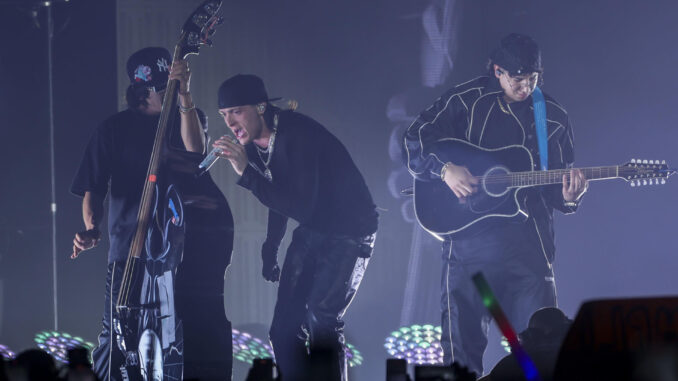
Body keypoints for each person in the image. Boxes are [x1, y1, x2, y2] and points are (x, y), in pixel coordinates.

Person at [402, 33, 588, 376]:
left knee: (546, 348)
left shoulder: (555, 118)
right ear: (497, 71)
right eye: (518, 79)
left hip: (529, 248)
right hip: (468, 243)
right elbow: (415, 137)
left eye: (533, 79)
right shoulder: (466, 99)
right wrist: (444, 170)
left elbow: (554, 188)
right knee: (459, 351)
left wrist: (568, 197)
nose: (525, 87)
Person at [70, 47, 234, 381]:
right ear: (142, 90)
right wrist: (91, 228)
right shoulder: (112, 129)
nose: (169, 94)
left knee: (177, 343)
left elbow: (194, 152)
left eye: (171, 86)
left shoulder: (188, 117)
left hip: (177, 254)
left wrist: (185, 93)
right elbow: (93, 188)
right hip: (128, 250)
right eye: (164, 89)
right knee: (115, 342)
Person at [212, 74, 378, 381]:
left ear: (260, 107)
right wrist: (270, 247)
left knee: (322, 319)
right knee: (283, 329)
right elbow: (282, 194)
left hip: (350, 229)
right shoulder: (253, 145)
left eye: (236, 111)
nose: (230, 123)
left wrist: (246, 173)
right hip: (314, 226)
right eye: (224, 115)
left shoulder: (298, 134)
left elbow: (298, 204)